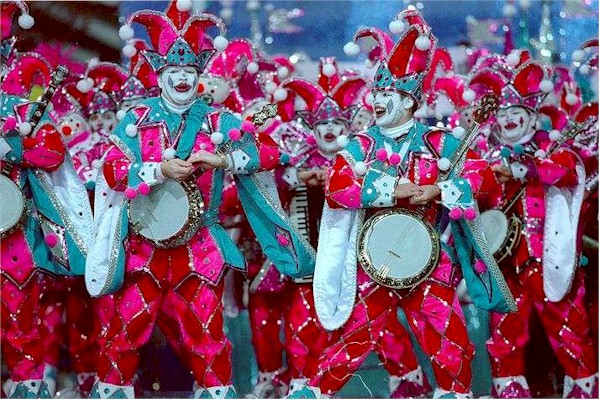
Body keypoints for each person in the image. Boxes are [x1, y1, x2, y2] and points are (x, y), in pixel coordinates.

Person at [86, 3, 313, 398]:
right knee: (123, 333)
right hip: (143, 248)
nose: (182, 78)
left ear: (199, 75)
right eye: (174, 71)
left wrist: (224, 159)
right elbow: (111, 169)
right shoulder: (137, 119)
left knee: (207, 337)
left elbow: (272, 153)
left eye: (189, 71)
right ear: (160, 74)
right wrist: (157, 169)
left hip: (200, 248)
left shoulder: (219, 121)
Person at [300, 10, 515, 399]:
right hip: (372, 261)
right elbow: (336, 188)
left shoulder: (439, 142)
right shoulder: (361, 145)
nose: (377, 100)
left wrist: (440, 191)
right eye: (376, 93)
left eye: (386, 95)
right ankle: (315, 393)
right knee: (352, 338)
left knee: (450, 342)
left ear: (409, 100)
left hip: (430, 260)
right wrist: (394, 189)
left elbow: (482, 178)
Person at [469, 55, 599, 398]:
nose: (508, 119)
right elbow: (473, 196)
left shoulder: (553, 149)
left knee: (568, 328)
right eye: (503, 114)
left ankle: (584, 389)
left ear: (531, 115)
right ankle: (509, 389)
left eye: (516, 112)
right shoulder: (487, 159)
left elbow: (566, 172)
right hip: (506, 265)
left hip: (548, 259)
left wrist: (522, 169)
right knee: (504, 332)